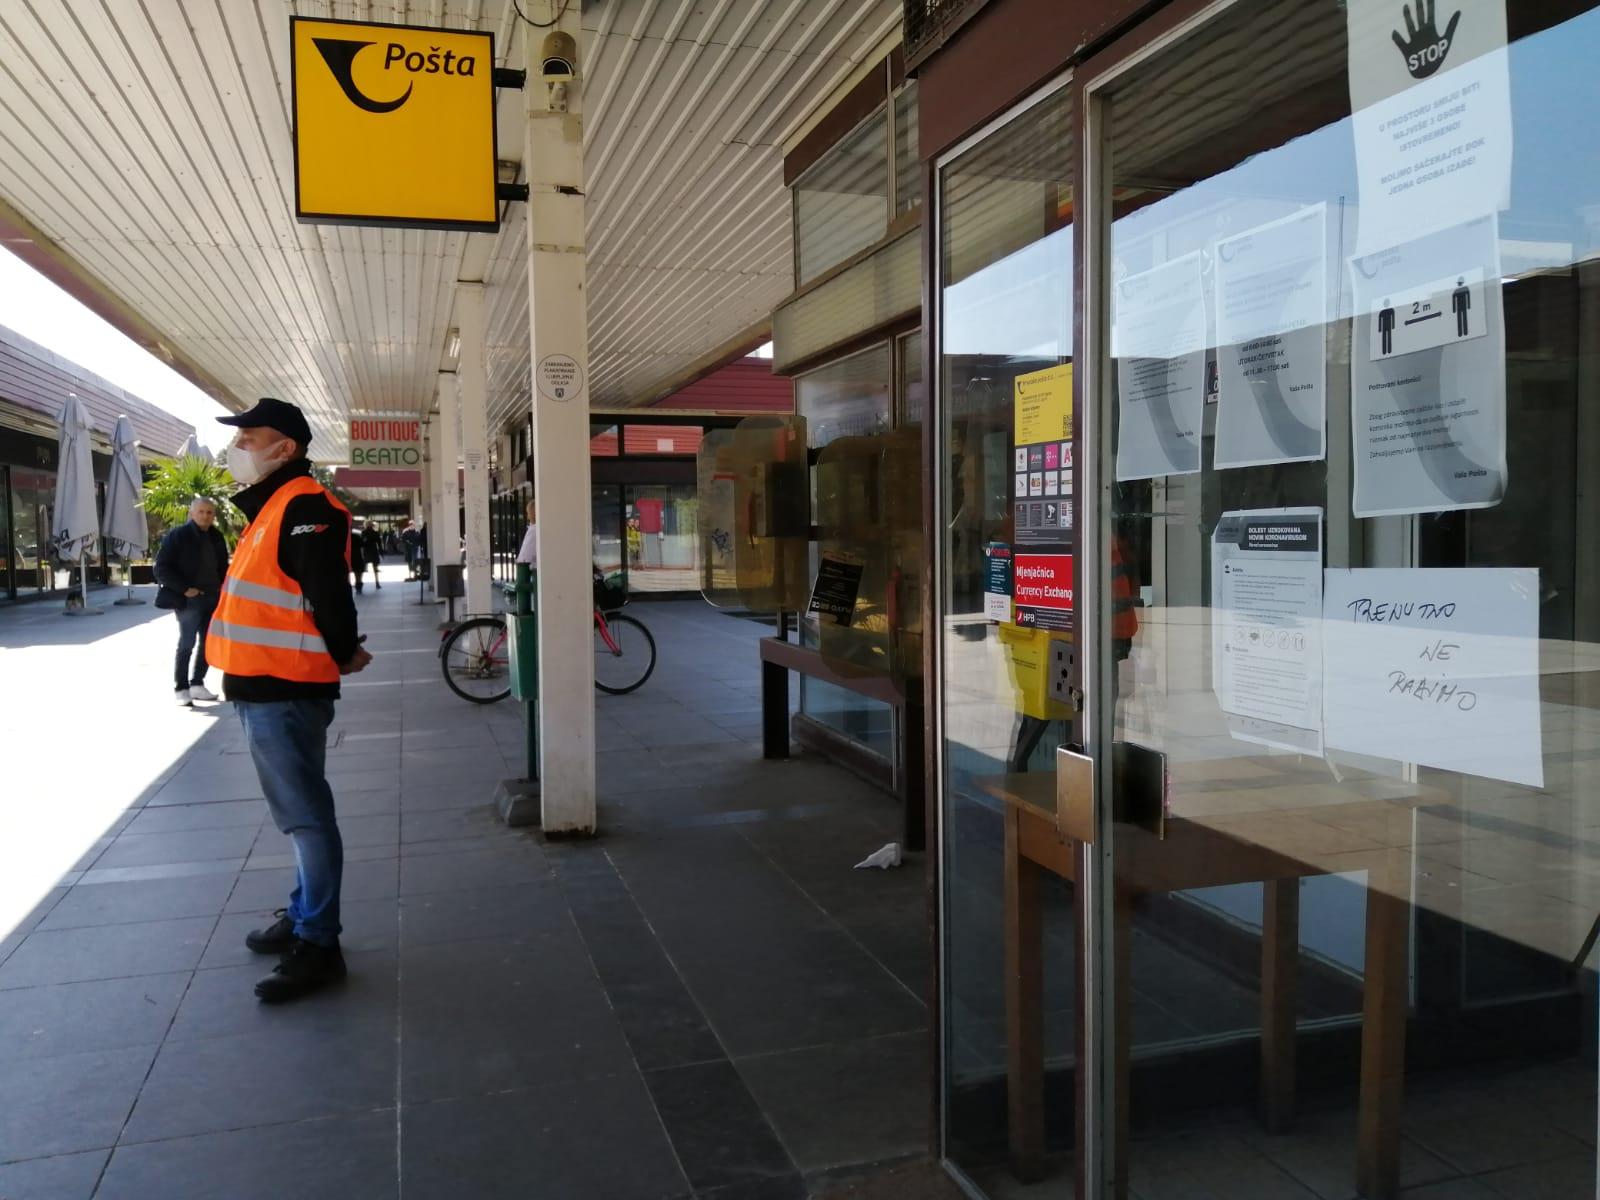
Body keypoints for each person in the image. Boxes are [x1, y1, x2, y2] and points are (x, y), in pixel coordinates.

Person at [207, 397, 371, 1003]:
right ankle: (305, 913)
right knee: (301, 816)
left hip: (285, 687)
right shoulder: (274, 505)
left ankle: (318, 942)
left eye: (251, 437)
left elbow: (329, 591)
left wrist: (345, 649)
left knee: (306, 818)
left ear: (287, 448)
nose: (239, 446)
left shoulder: (304, 505)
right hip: (263, 683)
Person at [154, 496, 229, 705]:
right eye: (201, 512)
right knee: (187, 643)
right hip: (189, 600)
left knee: (209, 643)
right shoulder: (178, 536)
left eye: (209, 512)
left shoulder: (217, 536)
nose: (205, 516)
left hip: (213, 597)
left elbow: (223, 567)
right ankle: (181, 688)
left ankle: (197, 684)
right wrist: (185, 589)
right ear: (192, 513)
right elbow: (161, 568)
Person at [516, 499, 538, 570]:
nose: (528, 517)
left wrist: (519, 563)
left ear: (533, 513)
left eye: (528, 513)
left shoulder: (533, 530)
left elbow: (524, 557)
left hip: (534, 571)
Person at [362, 523, 384, 590]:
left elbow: (362, 542)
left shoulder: (364, 532)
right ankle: (377, 583)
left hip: (367, 551)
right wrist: (381, 553)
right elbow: (379, 544)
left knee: (362, 568)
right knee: (375, 569)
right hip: (374, 551)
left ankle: (359, 584)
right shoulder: (375, 533)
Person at [351, 519, 370, 593]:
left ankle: (355, 585)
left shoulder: (343, 537)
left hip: (348, 557)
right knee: (358, 573)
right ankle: (358, 586)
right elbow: (363, 545)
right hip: (357, 556)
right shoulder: (356, 536)